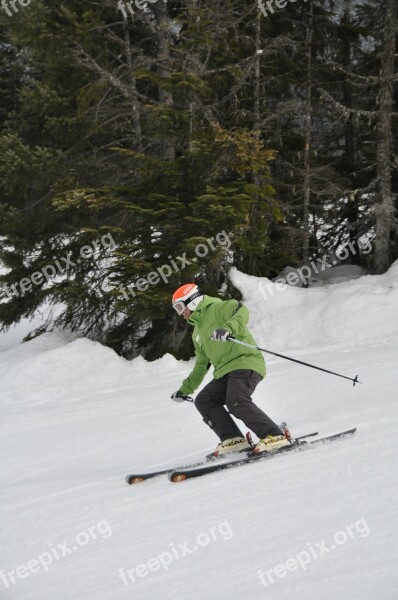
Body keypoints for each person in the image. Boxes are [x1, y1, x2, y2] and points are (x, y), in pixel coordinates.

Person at [170, 283, 290, 456]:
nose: (180, 313)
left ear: (192, 301)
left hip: (245, 362)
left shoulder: (219, 308)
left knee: (236, 400)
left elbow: (241, 310)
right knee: (204, 400)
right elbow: (202, 364)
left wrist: (227, 328)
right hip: (224, 372)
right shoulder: (197, 331)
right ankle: (233, 439)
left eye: (180, 307)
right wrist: (185, 389)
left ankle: (274, 436)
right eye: (177, 309)